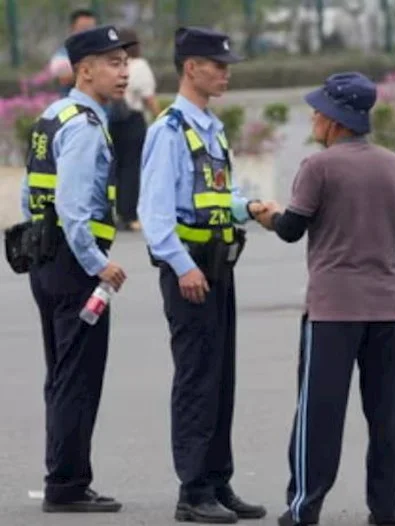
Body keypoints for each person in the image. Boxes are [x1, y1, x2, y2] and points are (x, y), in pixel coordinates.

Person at [254, 72, 395, 526]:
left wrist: (267, 214)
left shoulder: (317, 168)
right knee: (387, 419)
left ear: (336, 120)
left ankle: (304, 509)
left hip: (331, 315)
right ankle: (384, 510)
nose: (314, 116)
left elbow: (291, 230)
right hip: (387, 314)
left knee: (318, 417)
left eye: (318, 110)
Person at [137, 26, 267, 524]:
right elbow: (154, 214)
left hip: (217, 268)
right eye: (218, 64)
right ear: (191, 67)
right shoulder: (168, 130)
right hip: (189, 272)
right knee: (196, 380)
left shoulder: (209, 127)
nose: (226, 71)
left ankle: (218, 480)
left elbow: (208, 199)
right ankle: (192, 491)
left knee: (220, 379)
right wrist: (183, 266)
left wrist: (247, 207)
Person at [20, 24, 134, 513]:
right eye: (113, 63)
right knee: (77, 377)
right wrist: (99, 263)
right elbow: (72, 206)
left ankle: (64, 478)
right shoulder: (85, 126)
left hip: (45, 260)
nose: (124, 71)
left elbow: (31, 194)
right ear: (84, 71)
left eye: (125, 61)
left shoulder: (52, 116)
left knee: (62, 373)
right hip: (73, 267)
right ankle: (66, 484)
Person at [108, 27, 160, 231]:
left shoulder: (113, 66)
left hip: (113, 120)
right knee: (132, 168)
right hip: (133, 120)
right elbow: (148, 97)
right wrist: (161, 117)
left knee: (117, 168)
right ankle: (129, 214)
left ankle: (116, 212)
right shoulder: (139, 66)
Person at [49, 9, 97, 97]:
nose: (88, 32)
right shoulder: (63, 55)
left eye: (92, 28)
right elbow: (64, 77)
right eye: (83, 28)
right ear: (72, 29)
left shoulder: (101, 51)